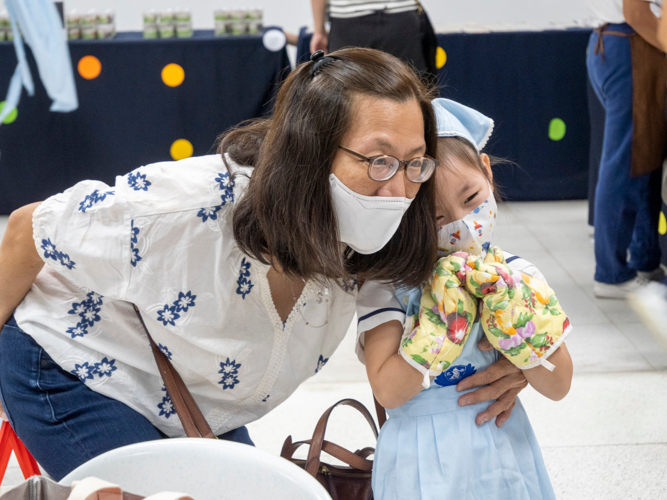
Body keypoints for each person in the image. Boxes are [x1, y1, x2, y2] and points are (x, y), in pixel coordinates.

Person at [0, 48, 523, 481]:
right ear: (311, 151)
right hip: (75, 367)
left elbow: (464, 292)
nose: (399, 188)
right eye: (378, 159)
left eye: (414, 162)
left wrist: (515, 360)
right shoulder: (192, 205)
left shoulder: (385, 234)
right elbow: (29, 229)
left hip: (198, 399)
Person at [356, 99, 573, 499]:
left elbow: (559, 384)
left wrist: (517, 327)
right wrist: (437, 331)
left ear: (487, 172)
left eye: (472, 197)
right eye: (437, 219)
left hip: (503, 444)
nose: (461, 225)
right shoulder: (388, 286)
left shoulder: (517, 275)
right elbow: (387, 390)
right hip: (419, 459)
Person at [586, 0, 666, 298]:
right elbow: (636, 11)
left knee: (644, 155)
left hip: (623, 42)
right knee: (626, 161)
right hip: (632, 43)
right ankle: (611, 272)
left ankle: (644, 259)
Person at [310, 0, 428, 73]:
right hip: (400, 15)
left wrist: (319, 31)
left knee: (345, 94)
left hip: (348, 18)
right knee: (409, 92)